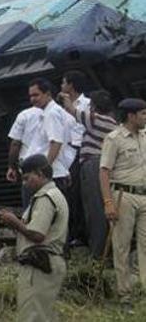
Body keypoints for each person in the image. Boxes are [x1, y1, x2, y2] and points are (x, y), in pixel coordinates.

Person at [0, 154, 69, 322]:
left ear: (40, 173)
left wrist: (14, 222)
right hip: (48, 263)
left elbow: (37, 234)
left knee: (32, 316)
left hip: (39, 265)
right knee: (44, 315)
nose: (25, 183)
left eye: (27, 178)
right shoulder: (55, 194)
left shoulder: (46, 197)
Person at [99, 98, 146, 308]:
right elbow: (104, 172)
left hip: (144, 194)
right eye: (143, 114)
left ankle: (143, 291)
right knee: (122, 246)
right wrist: (108, 202)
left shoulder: (145, 136)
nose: (145, 117)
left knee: (145, 246)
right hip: (122, 196)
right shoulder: (114, 138)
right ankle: (125, 294)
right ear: (131, 116)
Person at [60, 90, 117, 257]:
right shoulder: (113, 122)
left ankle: (98, 253)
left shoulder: (96, 119)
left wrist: (65, 98)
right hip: (103, 165)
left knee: (94, 209)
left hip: (93, 165)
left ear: (95, 106)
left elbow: (73, 111)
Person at [26, 78, 76, 206]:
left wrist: (44, 170)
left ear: (47, 94)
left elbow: (56, 143)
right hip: (54, 173)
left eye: (36, 95)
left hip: (51, 176)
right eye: (31, 96)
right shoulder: (50, 112)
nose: (33, 99)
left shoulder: (52, 113)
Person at [59, 70, 90, 246]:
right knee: (65, 193)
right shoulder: (61, 106)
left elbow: (84, 124)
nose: (62, 86)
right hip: (63, 151)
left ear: (71, 85)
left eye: (64, 82)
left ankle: (80, 233)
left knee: (77, 193)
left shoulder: (87, 104)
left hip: (79, 149)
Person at [7, 104, 44, 207]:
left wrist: (11, 167)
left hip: (30, 169)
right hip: (52, 170)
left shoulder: (24, 115)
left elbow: (15, 143)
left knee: (31, 210)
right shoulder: (59, 113)